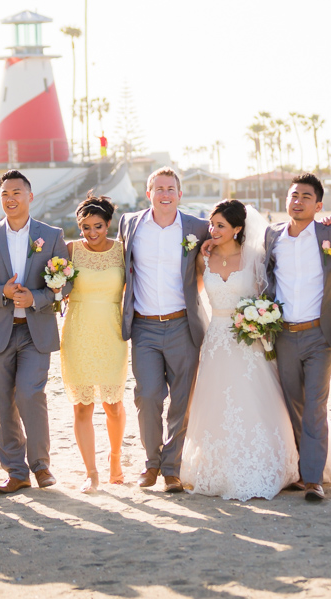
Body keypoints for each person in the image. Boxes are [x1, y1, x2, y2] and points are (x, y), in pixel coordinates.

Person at [180, 200, 301, 500]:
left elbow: (265, 298)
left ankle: (265, 463)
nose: (214, 230)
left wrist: (258, 320)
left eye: (221, 226)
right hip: (215, 340)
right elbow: (190, 296)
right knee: (215, 402)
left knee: (253, 399)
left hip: (247, 340)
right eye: (212, 225)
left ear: (237, 229)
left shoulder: (254, 259)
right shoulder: (202, 258)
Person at [0, 170, 72, 494]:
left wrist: (36, 297)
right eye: (5, 194)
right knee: (3, 403)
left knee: (30, 394)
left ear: (30, 196)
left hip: (35, 331)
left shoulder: (51, 235)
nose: (10, 199)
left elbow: (64, 281)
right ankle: (16, 471)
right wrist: (3, 293)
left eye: (17, 192)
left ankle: (40, 466)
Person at [117, 167, 210, 493]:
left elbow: (232, 237)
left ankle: (171, 468)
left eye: (171, 188)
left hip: (183, 324)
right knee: (148, 397)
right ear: (149, 193)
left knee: (181, 402)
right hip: (143, 327)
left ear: (179, 194)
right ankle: (151, 462)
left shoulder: (197, 227)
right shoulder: (130, 224)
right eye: (159, 188)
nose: (165, 194)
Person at [264, 173, 331, 501]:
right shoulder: (272, 236)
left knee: (315, 405)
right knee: (292, 405)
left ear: (318, 204)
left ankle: (313, 478)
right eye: (293, 195)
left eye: (305, 197)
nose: (297, 201)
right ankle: (300, 467)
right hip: (283, 334)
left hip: (319, 334)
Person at [60, 193, 128, 493]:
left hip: (112, 332)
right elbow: (51, 281)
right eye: (85, 227)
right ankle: (91, 472)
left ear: (108, 224)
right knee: (82, 406)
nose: (91, 233)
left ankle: (115, 459)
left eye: (98, 226)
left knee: (112, 404)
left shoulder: (123, 252)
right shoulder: (70, 250)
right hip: (78, 331)